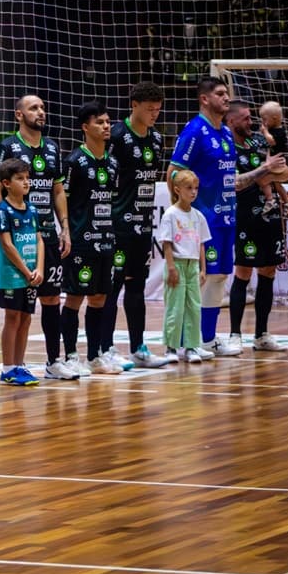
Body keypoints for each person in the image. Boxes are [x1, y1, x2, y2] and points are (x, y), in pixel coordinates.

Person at [166, 77, 285, 358]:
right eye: (220, 94)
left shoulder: (225, 135)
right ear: (204, 99)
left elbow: (232, 181)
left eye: (227, 94)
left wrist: (261, 171)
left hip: (226, 217)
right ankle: (185, 340)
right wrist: (182, 214)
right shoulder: (194, 131)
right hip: (202, 219)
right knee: (199, 278)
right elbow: (173, 172)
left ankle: (206, 338)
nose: (226, 98)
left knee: (219, 278)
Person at [0, 94, 72, 379]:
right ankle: (10, 366)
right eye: (34, 107)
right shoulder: (6, 147)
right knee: (15, 311)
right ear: (19, 115)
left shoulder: (51, 147)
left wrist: (65, 228)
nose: (41, 111)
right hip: (18, 237)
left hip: (45, 234)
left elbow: (58, 191)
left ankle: (53, 362)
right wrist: (8, 223)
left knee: (49, 300)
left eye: (43, 106)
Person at [102, 81, 170, 369]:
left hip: (143, 224)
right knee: (111, 286)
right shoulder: (116, 136)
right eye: (150, 109)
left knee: (137, 286)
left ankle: (138, 348)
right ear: (134, 106)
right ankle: (104, 348)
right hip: (117, 223)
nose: (155, 114)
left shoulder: (156, 139)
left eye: (158, 109)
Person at [59, 101, 122, 375]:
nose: (106, 126)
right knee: (74, 299)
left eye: (108, 122)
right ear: (85, 127)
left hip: (106, 239)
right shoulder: (74, 162)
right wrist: (67, 232)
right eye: (100, 122)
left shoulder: (112, 163)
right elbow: (64, 200)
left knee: (99, 299)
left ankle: (95, 356)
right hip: (81, 241)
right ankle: (71, 355)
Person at [227, 101, 288, 352]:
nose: (250, 122)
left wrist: (272, 173)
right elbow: (236, 183)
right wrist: (264, 171)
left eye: (251, 118)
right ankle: (234, 334)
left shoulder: (258, 142)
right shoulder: (228, 148)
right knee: (242, 274)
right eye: (245, 118)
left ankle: (262, 334)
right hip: (245, 217)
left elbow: (286, 173)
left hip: (271, 215)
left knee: (268, 273)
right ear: (232, 121)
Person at [0, 158, 43, 386]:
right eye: (19, 178)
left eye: (27, 178)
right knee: (12, 317)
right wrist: (24, 270)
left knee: (26, 318)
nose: (26, 182)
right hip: (12, 275)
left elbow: (39, 239)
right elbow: (7, 244)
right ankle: (8, 368)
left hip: (32, 274)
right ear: (6, 183)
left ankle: (20, 365)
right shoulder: (3, 210)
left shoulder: (32, 208)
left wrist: (39, 268)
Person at [160, 170, 210, 362]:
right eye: (189, 188)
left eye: (196, 188)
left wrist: (203, 269)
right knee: (175, 307)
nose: (193, 192)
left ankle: (191, 347)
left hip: (193, 266)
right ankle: (171, 347)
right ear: (177, 189)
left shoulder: (198, 216)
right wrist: (171, 268)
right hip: (177, 264)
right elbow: (167, 243)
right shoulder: (171, 214)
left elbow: (201, 243)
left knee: (194, 307)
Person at [255, 101, 288, 217]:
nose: (263, 123)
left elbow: (271, 141)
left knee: (261, 179)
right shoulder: (272, 129)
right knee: (277, 184)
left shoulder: (279, 131)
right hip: (272, 161)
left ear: (275, 118)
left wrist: (265, 132)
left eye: (265, 119)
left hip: (277, 163)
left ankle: (270, 199)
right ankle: (287, 201)